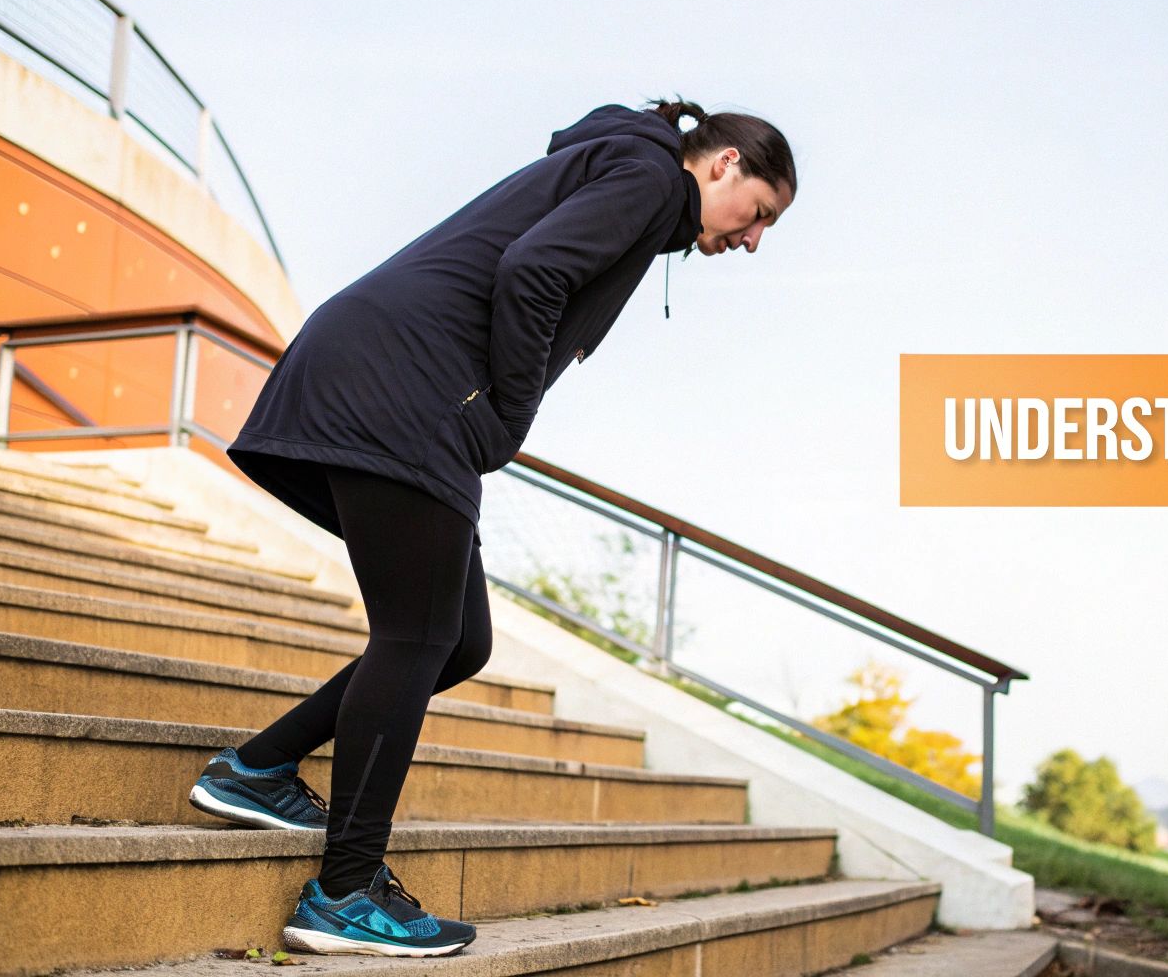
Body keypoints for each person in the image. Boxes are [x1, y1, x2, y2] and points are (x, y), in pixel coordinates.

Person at [185, 96, 796, 957]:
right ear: (724, 164)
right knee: (419, 632)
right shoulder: (656, 178)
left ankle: (256, 768)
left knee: (457, 639)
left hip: (378, 367)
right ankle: (345, 889)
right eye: (760, 214)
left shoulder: (629, 172)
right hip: (407, 385)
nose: (753, 240)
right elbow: (534, 269)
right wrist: (509, 416)